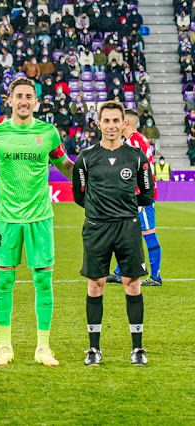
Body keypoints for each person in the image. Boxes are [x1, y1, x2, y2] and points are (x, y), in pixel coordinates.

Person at [0, 77, 74, 367]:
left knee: (43, 280)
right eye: (19, 96)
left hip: (40, 216)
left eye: (29, 96)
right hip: (6, 217)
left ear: (36, 101)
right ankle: (4, 346)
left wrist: (89, 180)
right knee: (4, 280)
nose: (24, 101)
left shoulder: (48, 133)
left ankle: (43, 347)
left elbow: (65, 164)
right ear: (10, 100)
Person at [72, 101, 154, 366]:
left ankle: (138, 348)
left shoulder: (137, 157)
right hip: (96, 228)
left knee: (133, 284)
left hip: (128, 228)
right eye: (105, 121)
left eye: (115, 121)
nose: (111, 126)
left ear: (123, 124)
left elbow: (148, 193)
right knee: (96, 285)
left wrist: (124, 210)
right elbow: (78, 195)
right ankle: (94, 349)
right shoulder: (86, 158)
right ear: (98, 124)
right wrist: (99, 212)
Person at [107, 110, 163, 286]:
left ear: (126, 123)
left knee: (148, 233)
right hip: (135, 196)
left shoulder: (134, 142)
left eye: (119, 121)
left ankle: (155, 276)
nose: (116, 125)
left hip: (141, 197)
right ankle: (119, 272)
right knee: (126, 233)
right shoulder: (136, 140)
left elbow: (137, 171)